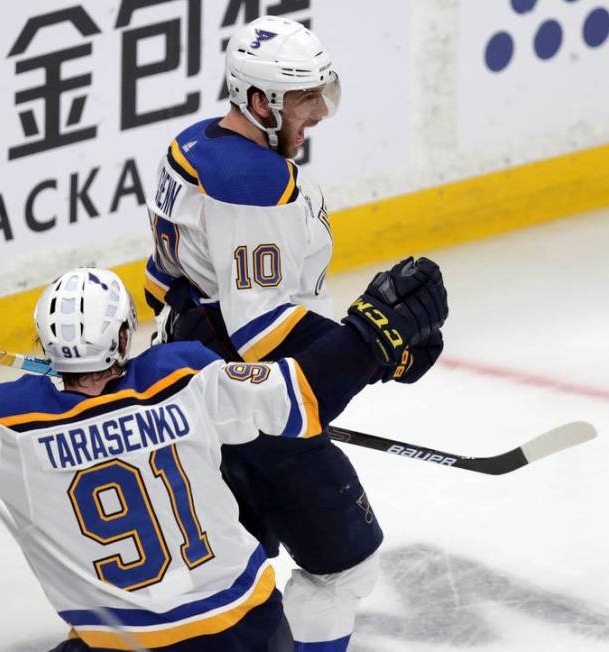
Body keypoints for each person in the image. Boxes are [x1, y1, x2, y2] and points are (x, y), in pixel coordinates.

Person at [0, 260, 445, 651]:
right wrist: (370, 335)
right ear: (124, 339)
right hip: (254, 639)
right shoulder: (186, 375)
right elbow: (304, 394)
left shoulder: (3, 424)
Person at [142, 15, 448, 649]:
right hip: (256, 410)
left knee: (208, 581)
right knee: (342, 568)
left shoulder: (193, 148)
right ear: (260, 101)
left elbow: (161, 282)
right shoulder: (254, 182)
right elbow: (260, 331)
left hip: (195, 392)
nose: (318, 112)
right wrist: (371, 350)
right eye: (305, 97)